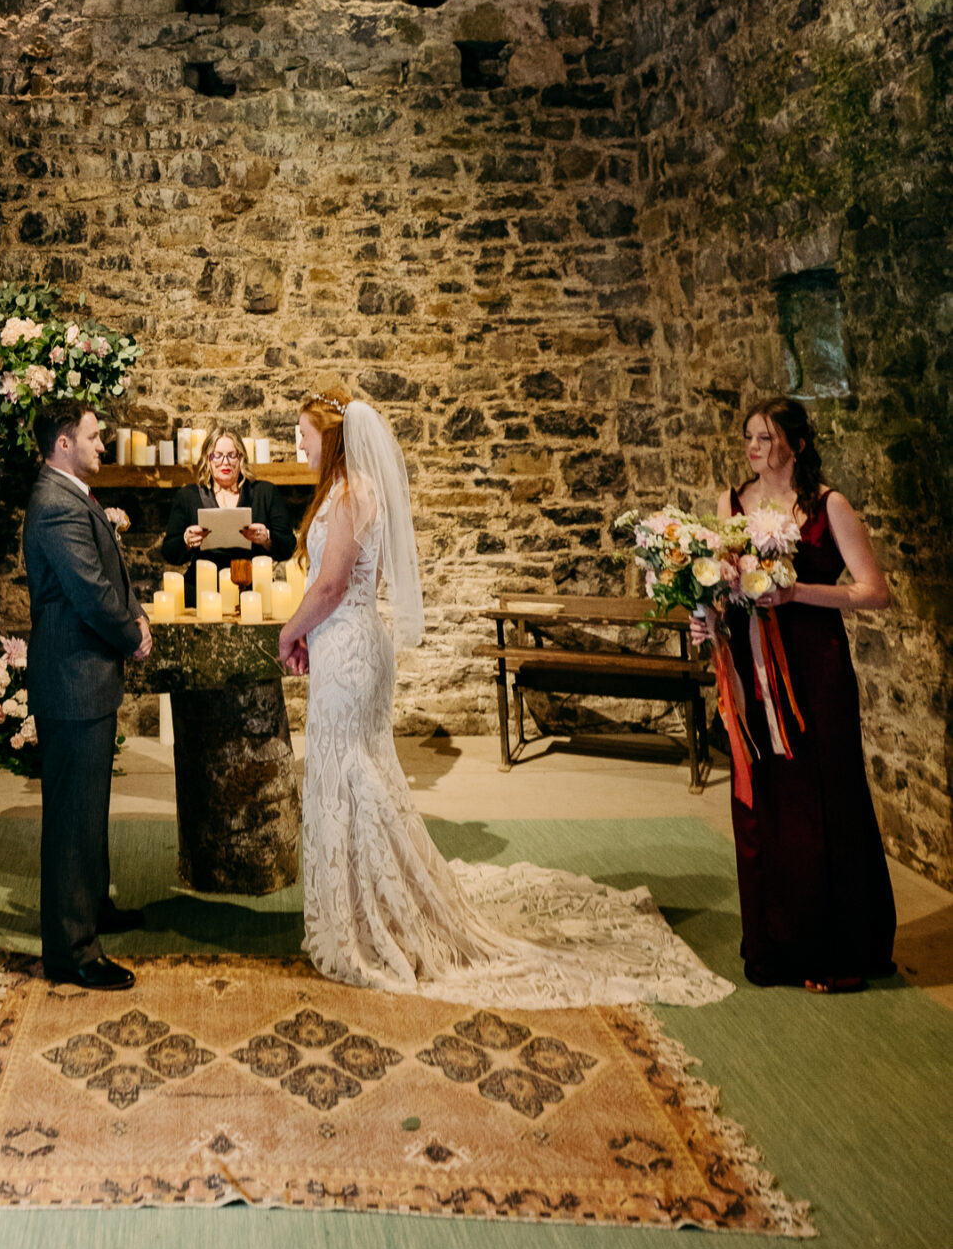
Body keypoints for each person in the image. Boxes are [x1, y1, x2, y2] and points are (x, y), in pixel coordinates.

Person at [277, 388, 731, 1007]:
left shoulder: (352, 490)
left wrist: (290, 630)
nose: (296, 443)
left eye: (302, 433)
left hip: (348, 645)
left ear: (328, 436)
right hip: (352, 642)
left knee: (352, 775)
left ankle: (373, 914)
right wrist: (311, 631)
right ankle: (366, 902)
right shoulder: (359, 489)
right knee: (357, 772)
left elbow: (330, 586)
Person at [713, 396, 895, 991]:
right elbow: (719, 586)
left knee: (826, 793)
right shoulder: (732, 505)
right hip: (753, 664)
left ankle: (841, 951)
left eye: (765, 438)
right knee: (768, 795)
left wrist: (798, 595)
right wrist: (706, 616)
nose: (753, 448)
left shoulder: (827, 506)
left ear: (796, 443)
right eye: (749, 438)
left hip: (815, 664)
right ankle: (777, 943)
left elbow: (874, 592)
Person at [24, 399, 152, 992]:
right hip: (73, 675)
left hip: (86, 673)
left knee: (89, 802)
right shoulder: (55, 505)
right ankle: (72, 950)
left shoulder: (70, 493)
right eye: (95, 437)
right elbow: (91, 591)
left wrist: (137, 614)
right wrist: (132, 633)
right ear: (63, 444)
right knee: (73, 813)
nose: (104, 445)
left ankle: (92, 906)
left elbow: (110, 578)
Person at [161, 423, 297, 608]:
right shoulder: (189, 496)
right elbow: (169, 551)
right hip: (202, 592)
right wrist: (187, 540)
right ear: (207, 459)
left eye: (232, 455)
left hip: (252, 592)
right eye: (217, 455)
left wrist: (267, 539)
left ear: (241, 458)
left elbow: (288, 546)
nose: (225, 462)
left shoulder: (264, 492)